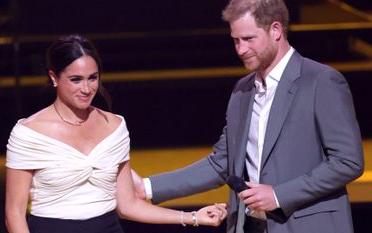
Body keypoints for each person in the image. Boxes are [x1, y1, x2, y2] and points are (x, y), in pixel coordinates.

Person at [132, 0, 364, 233]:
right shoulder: (242, 90)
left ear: (276, 30)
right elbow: (222, 163)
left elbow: (348, 162)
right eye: (235, 40)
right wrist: (147, 187)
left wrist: (278, 195)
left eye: (249, 39)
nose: (241, 49)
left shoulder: (320, 81)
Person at [4, 34, 227, 233]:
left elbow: (128, 205)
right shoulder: (29, 133)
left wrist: (193, 217)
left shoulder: (114, 126)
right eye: (76, 79)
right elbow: (14, 214)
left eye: (93, 78)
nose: (86, 88)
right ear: (54, 77)